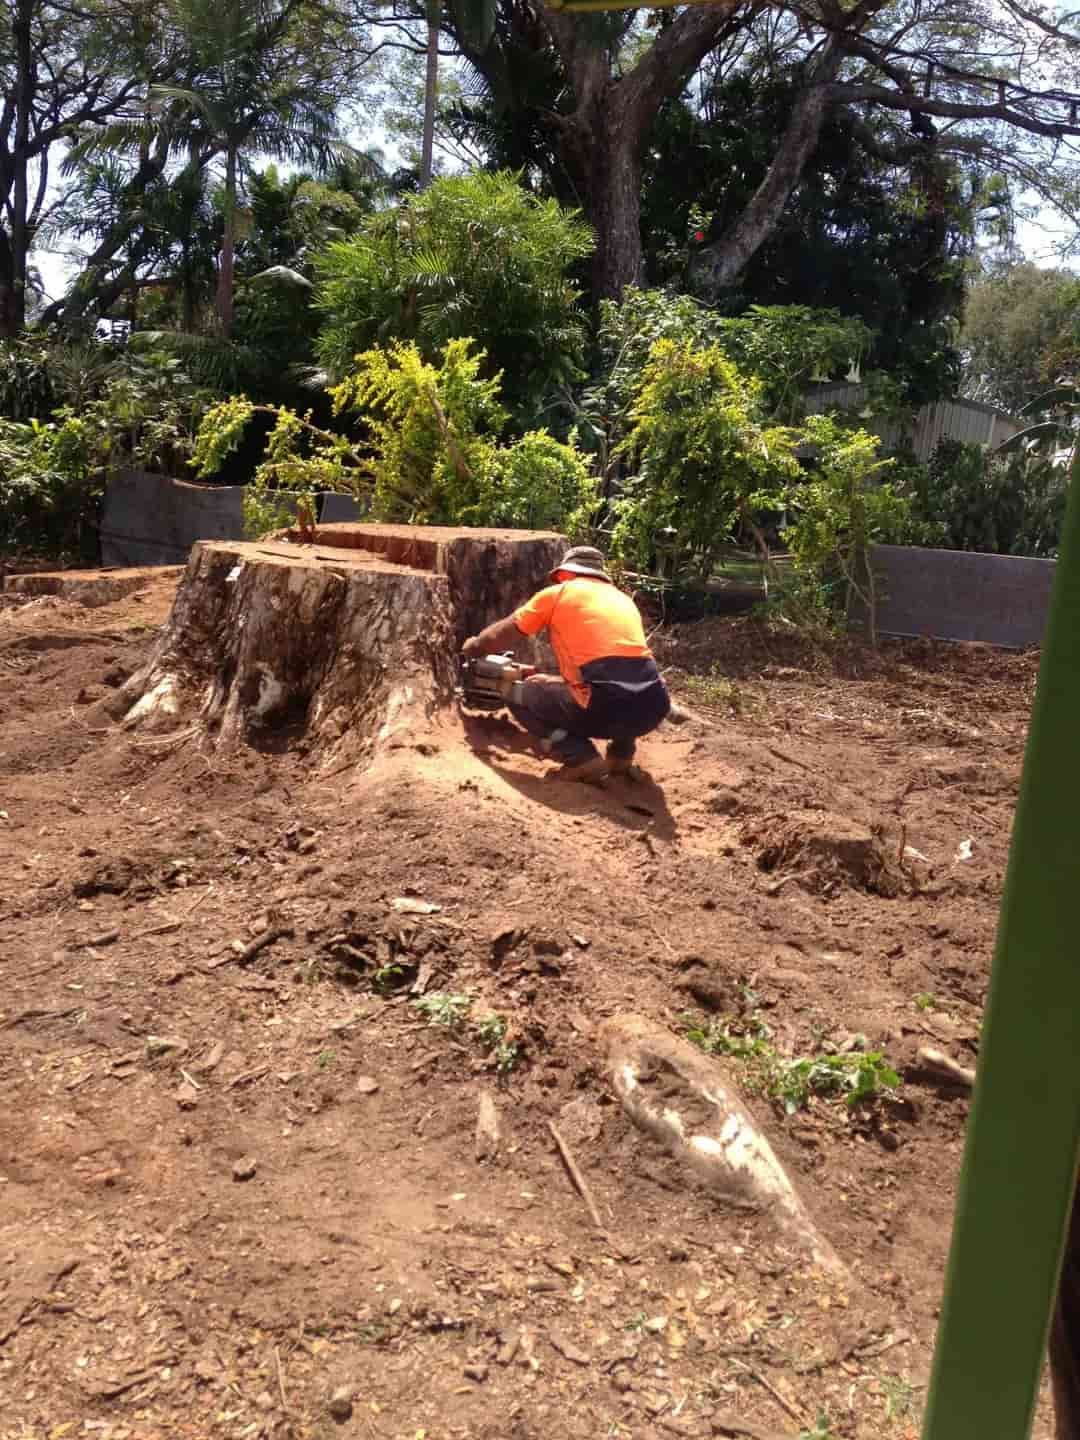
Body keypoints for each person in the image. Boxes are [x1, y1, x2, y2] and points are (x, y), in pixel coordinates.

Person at [461, 545, 670, 783]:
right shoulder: (622, 600)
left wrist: (474, 646)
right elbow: (617, 666)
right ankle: (621, 758)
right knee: (626, 688)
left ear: (564, 574)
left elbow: (501, 636)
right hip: (653, 706)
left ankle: (580, 757)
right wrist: (553, 681)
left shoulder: (559, 593)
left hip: (605, 705)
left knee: (514, 693)